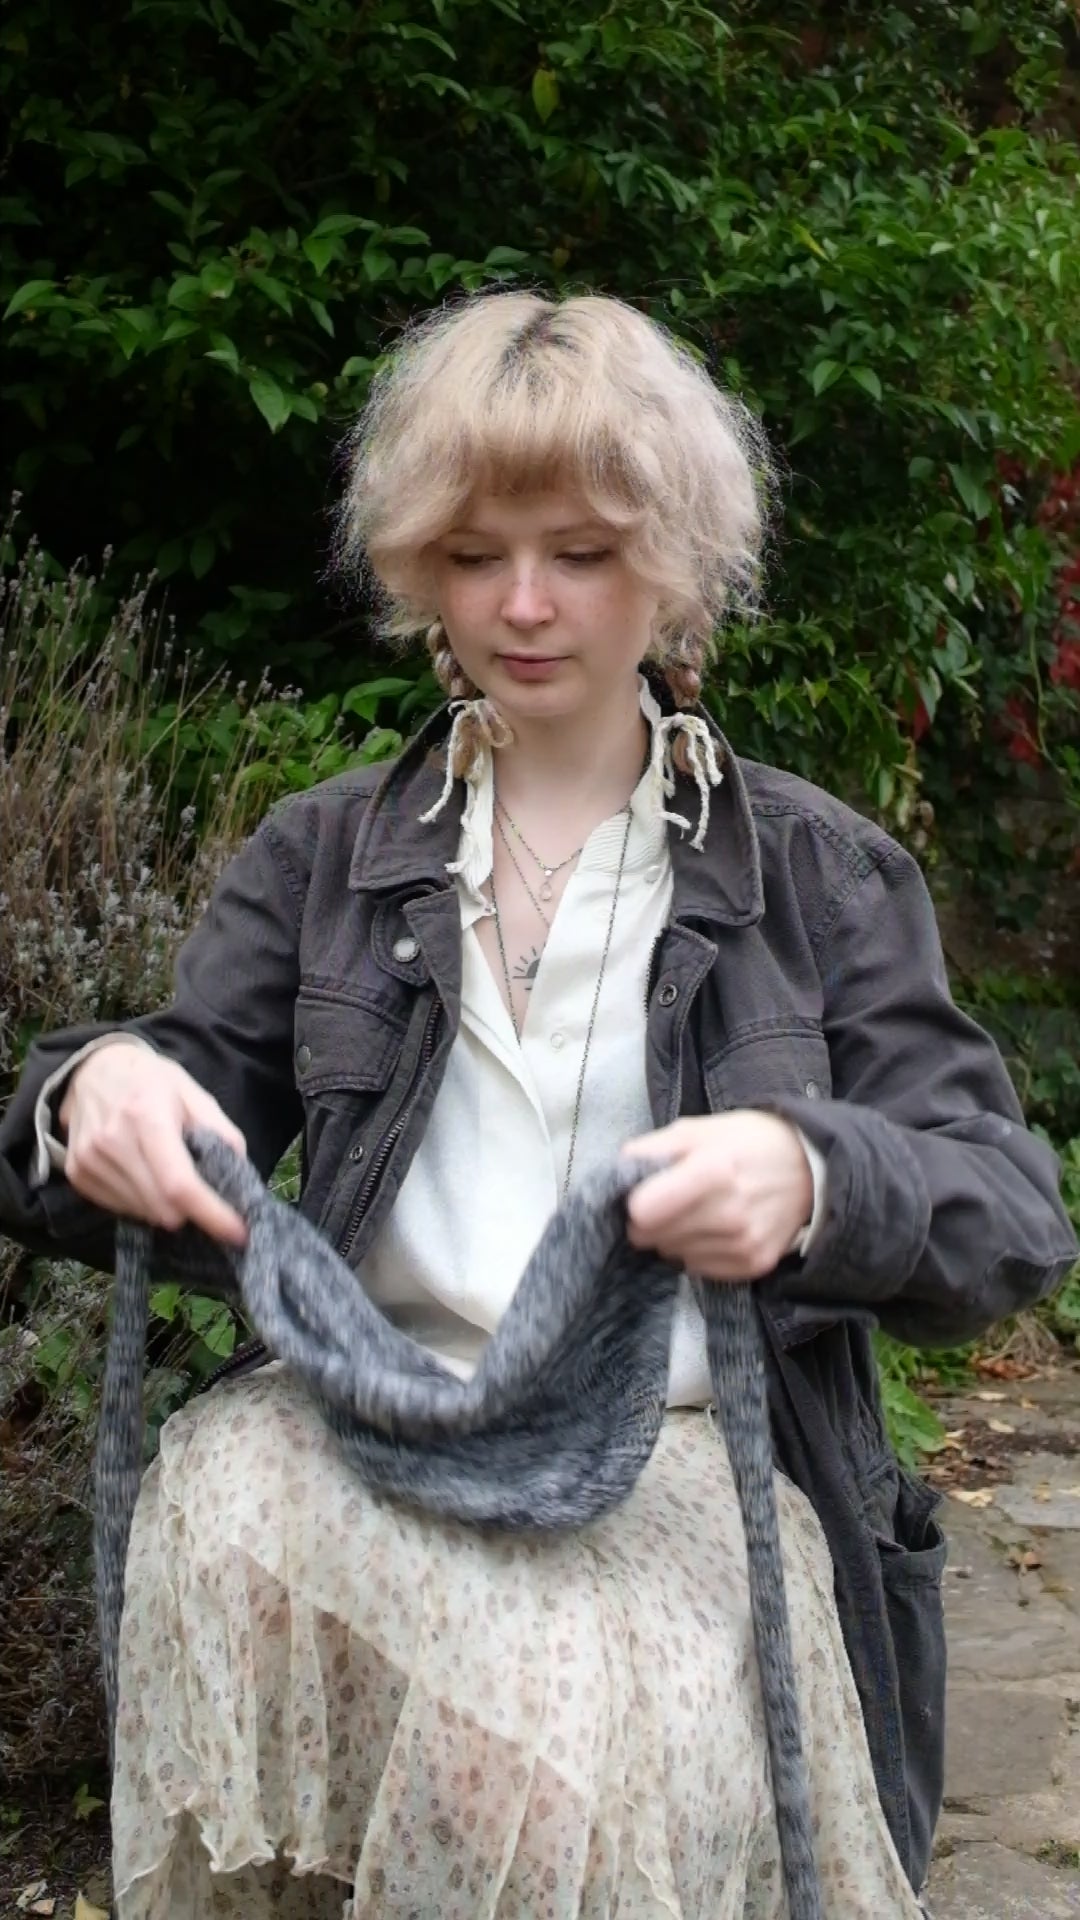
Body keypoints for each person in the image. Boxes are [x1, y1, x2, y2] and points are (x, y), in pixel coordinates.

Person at [0, 289, 1076, 1920]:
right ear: (418, 565)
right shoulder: (324, 859)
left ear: (677, 563)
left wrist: (811, 1175)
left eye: (579, 551)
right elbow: (158, 1096)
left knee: (529, 1756)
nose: (523, 603)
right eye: (476, 551)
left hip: (678, 1483)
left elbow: (1008, 1209)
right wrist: (99, 1094)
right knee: (213, 1523)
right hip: (361, 1446)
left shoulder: (819, 874)